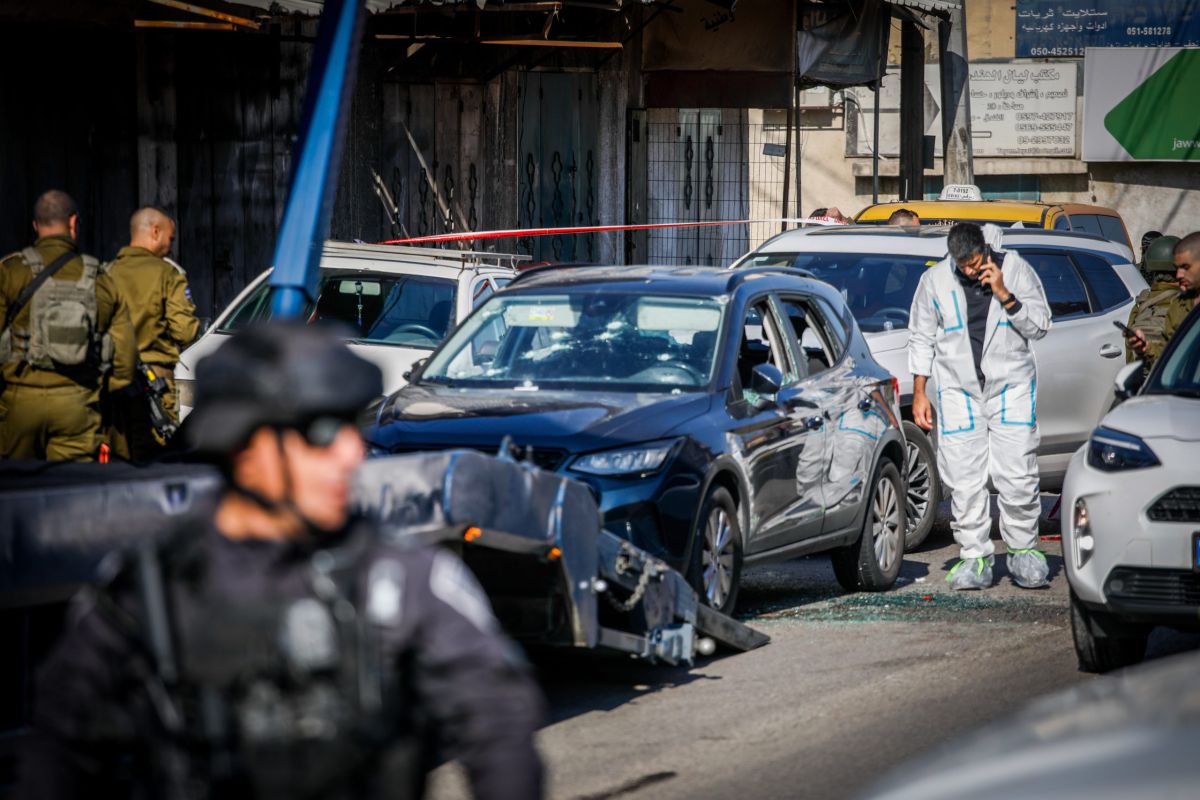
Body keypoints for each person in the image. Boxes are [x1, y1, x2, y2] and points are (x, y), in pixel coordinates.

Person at [17, 322, 545, 800]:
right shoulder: (150, 591)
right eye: (319, 434)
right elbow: (59, 746)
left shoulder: (396, 578)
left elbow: (496, 718)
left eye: (350, 429)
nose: (349, 454)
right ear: (246, 448)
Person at [908, 222, 1052, 590]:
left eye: (974, 262)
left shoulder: (1016, 269)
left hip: (1011, 388)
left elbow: (1040, 325)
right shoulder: (936, 281)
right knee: (963, 477)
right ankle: (974, 555)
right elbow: (921, 336)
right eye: (962, 265)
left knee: (1017, 473)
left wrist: (1004, 292)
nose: (970, 271)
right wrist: (920, 391)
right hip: (959, 391)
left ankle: (1024, 551)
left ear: (985, 251)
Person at [0, 190, 135, 461]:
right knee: (72, 493)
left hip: (18, 406)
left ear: (36, 225)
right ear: (73, 223)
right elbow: (125, 362)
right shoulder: (100, 279)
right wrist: (95, 393)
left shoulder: (11, 271)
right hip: (78, 406)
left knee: (15, 494)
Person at [105, 207, 199, 461]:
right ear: (155, 232)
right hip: (154, 385)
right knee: (157, 458)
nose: (170, 246)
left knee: (116, 458)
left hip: (113, 384)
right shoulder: (168, 274)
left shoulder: (105, 273)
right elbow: (186, 330)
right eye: (170, 238)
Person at [1128, 231, 1200, 368]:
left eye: (1185, 267)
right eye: (1177, 269)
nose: (1179, 275)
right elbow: (1165, 359)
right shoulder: (1179, 305)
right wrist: (1145, 349)